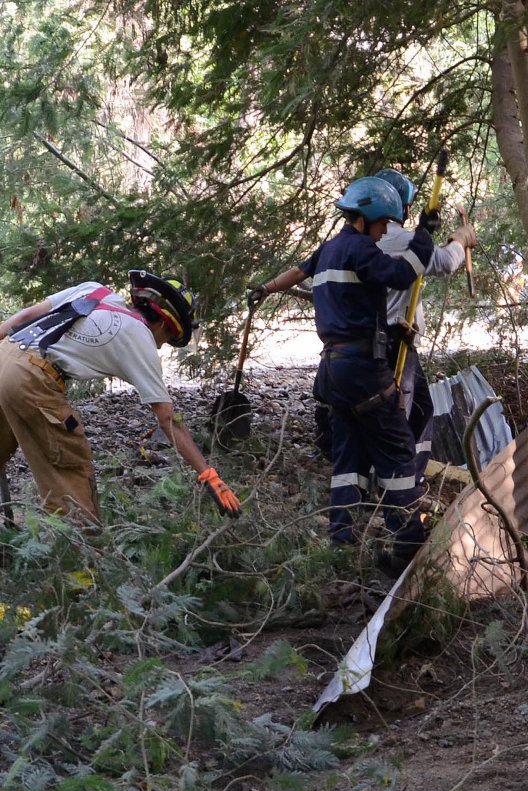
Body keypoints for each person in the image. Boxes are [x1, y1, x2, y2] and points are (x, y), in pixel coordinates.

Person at [249, 176, 436, 569]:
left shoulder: (330, 249)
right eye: (384, 223)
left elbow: (297, 273)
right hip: (362, 369)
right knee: (398, 450)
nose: (386, 231)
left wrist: (264, 289)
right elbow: (405, 274)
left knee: (347, 458)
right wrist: (425, 233)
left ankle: (342, 546)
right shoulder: (360, 250)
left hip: (331, 371)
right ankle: (408, 549)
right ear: (367, 218)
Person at [0, 270, 241, 523]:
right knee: (70, 474)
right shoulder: (141, 339)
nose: (161, 346)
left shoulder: (94, 290)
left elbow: (25, 316)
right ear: (163, 324)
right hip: (30, 379)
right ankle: (80, 555)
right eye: (168, 338)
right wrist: (208, 474)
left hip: (6, 351)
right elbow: (167, 418)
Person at [374, 167, 477, 481]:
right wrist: (460, 240)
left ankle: (408, 477)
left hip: (381, 340)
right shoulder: (400, 240)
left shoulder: (364, 241)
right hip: (395, 343)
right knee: (401, 415)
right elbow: (444, 262)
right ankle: (396, 485)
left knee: (420, 409)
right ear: (401, 207)